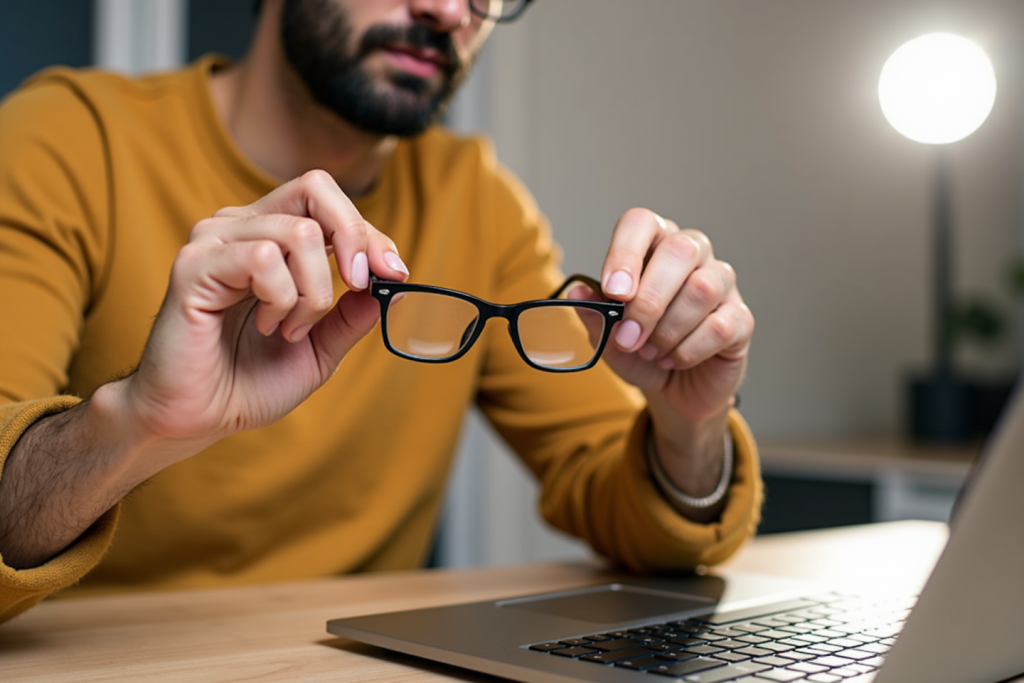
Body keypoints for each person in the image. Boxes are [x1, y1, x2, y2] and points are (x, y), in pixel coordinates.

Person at [0, 0, 760, 623]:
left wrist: (686, 423)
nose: (449, 11)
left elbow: (627, 510)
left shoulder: (479, 202)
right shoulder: (65, 140)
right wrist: (141, 422)